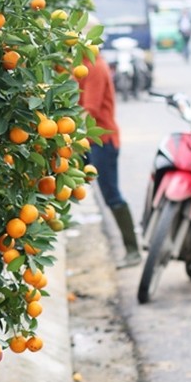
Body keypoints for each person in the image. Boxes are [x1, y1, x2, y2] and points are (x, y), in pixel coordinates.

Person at [79, 23, 141, 268]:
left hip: (102, 141)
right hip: (89, 140)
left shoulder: (95, 66)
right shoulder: (81, 65)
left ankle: (133, 249)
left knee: (111, 194)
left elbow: (89, 111)